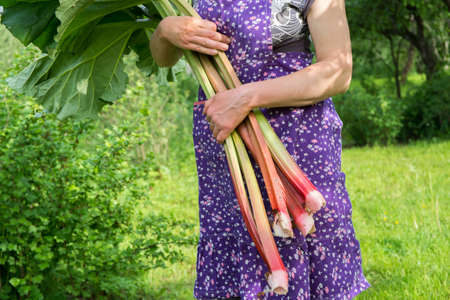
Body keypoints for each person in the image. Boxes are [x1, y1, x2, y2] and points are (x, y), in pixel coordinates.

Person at [150, 0, 370, 299]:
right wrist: (164, 32)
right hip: (228, 144)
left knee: (308, 241)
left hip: (297, 143)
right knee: (239, 241)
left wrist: (245, 98)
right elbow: (163, 58)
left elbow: (338, 71)